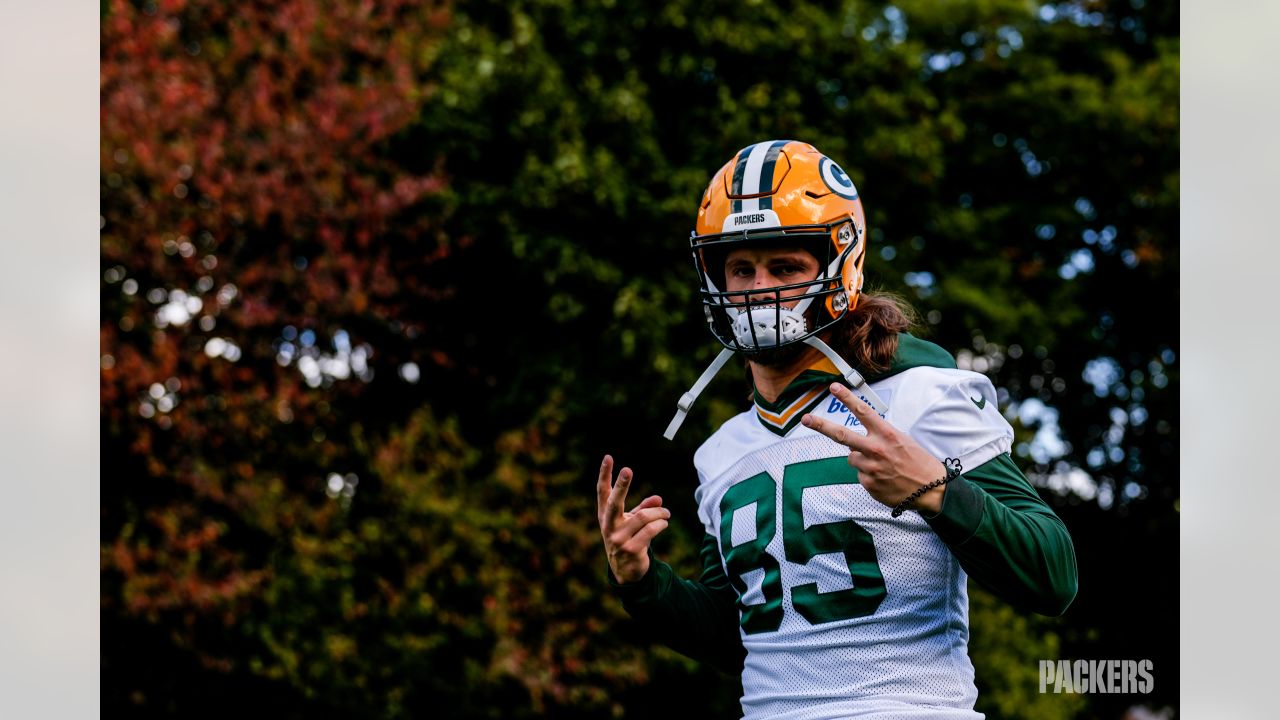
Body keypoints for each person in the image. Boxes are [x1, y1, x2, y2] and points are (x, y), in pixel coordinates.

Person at [596, 140, 1078, 719]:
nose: (757, 290)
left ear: (838, 265)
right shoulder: (721, 451)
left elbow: (1053, 575)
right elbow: (743, 639)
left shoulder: (919, 395)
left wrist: (935, 489)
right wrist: (644, 582)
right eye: (740, 269)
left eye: (785, 267)